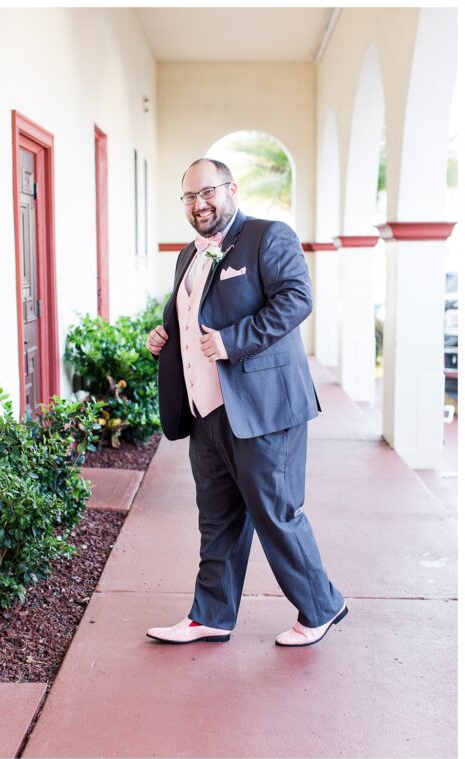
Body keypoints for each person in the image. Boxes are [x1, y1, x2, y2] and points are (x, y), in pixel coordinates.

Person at [144, 158, 346, 649]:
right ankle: (211, 615)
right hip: (207, 412)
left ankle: (321, 606)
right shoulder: (188, 256)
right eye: (190, 197)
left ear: (231, 189)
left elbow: (297, 298)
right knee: (217, 519)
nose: (200, 204)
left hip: (265, 409)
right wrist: (166, 333)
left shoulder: (267, 236)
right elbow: (189, 311)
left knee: (276, 512)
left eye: (208, 192)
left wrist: (234, 341)